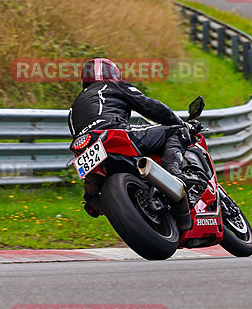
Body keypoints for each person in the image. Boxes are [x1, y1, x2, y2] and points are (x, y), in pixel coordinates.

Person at [68, 57, 192, 230]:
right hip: (111, 134)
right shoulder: (113, 85)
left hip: (83, 146)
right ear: (112, 73)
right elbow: (148, 106)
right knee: (175, 131)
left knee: (93, 184)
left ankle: (92, 199)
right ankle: (177, 176)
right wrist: (179, 122)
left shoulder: (73, 108)